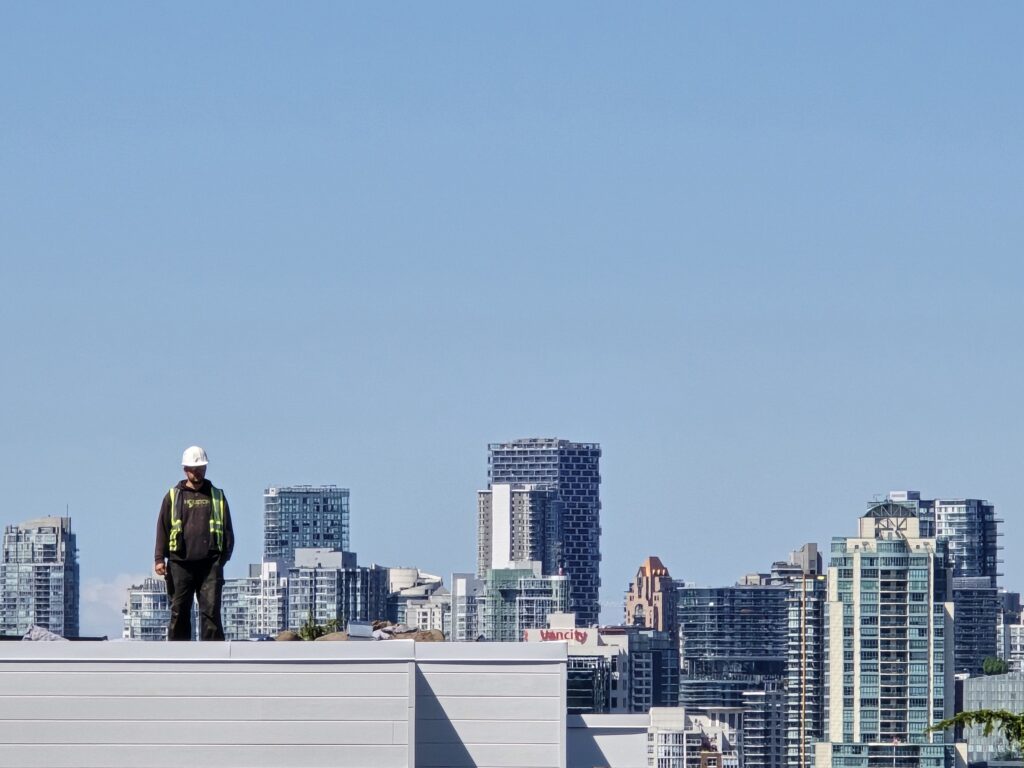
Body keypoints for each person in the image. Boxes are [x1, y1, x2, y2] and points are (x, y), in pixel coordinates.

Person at [154, 446, 234, 641]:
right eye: (193, 468)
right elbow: (162, 528)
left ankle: (213, 658)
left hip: (210, 564)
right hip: (180, 563)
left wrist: (221, 560)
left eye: (201, 468)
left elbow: (228, 530)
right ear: (185, 469)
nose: (197, 472)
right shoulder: (173, 497)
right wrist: (159, 559)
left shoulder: (217, 496)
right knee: (179, 611)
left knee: (211, 613)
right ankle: (178, 656)